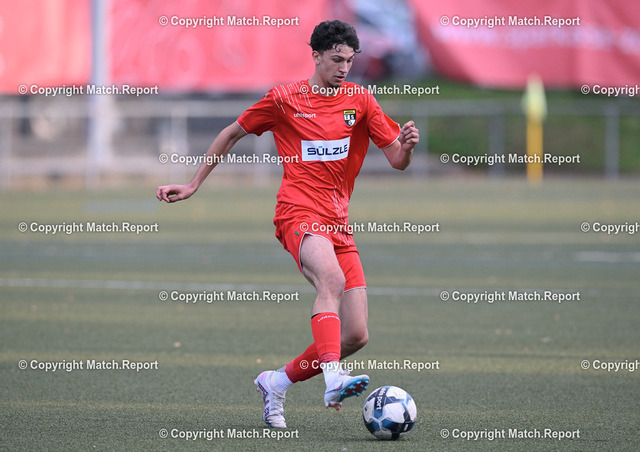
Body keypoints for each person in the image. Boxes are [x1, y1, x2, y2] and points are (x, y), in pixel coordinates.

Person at [157, 19, 419, 428]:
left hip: (339, 224)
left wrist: (406, 148)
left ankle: (275, 382)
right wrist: (193, 184)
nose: (344, 68)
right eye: (336, 59)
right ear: (315, 56)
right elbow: (231, 133)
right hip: (297, 213)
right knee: (330, 280)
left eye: (350, 61)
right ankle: (334, 379)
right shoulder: (284, 99)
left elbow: (396, 161)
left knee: (356, 335)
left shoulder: (361, 100)